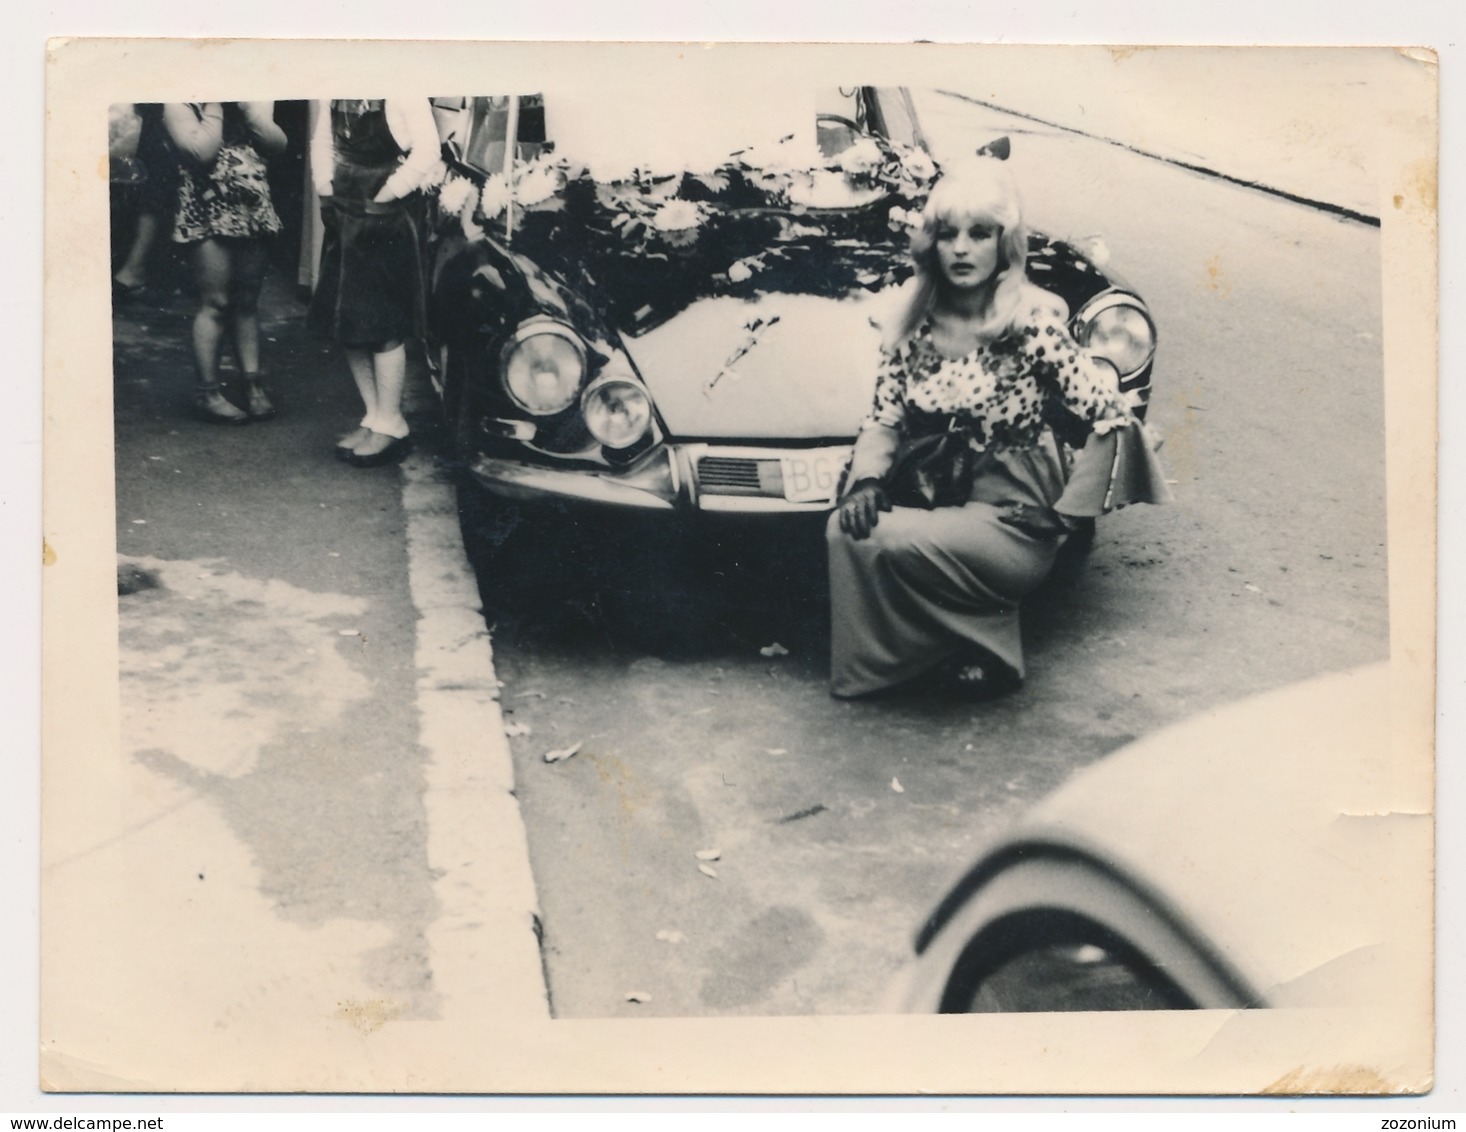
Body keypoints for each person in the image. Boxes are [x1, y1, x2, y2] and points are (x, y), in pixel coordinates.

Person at [826, 159, 1170, 700]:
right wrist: (866, 480)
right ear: (930, 246)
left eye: (980, 234)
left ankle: (982, 645)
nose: (962, 249)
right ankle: (931, 651)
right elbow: (885, 418)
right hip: (938, 499)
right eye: (948, 234)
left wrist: (1067, 513)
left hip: (1013, 519)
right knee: (847, 530)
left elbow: (1112, 416)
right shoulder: (908, 325)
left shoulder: (1033, 324)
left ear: (1004, 245)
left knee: (892, 541)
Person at [307, 98, 441, 467]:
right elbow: (323, 142)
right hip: (345, 213)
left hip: (385, 217)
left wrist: (387, 194)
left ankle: (392, 422)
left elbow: (428, 150)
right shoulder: (334, 86)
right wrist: (324, 190)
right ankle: (374, 416)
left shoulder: (401, 85)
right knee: (347, 321)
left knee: (382, 325)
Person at [164, 101, 287, 424]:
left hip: (252, 207)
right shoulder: (178, 100)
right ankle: (208, 392)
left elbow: (276, 144)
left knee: (247, 300)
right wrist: (216, 102)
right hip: (207, 211)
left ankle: (253, 386)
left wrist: (247, 107)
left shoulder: (251, 94)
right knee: (216, 301)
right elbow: (201, 152)